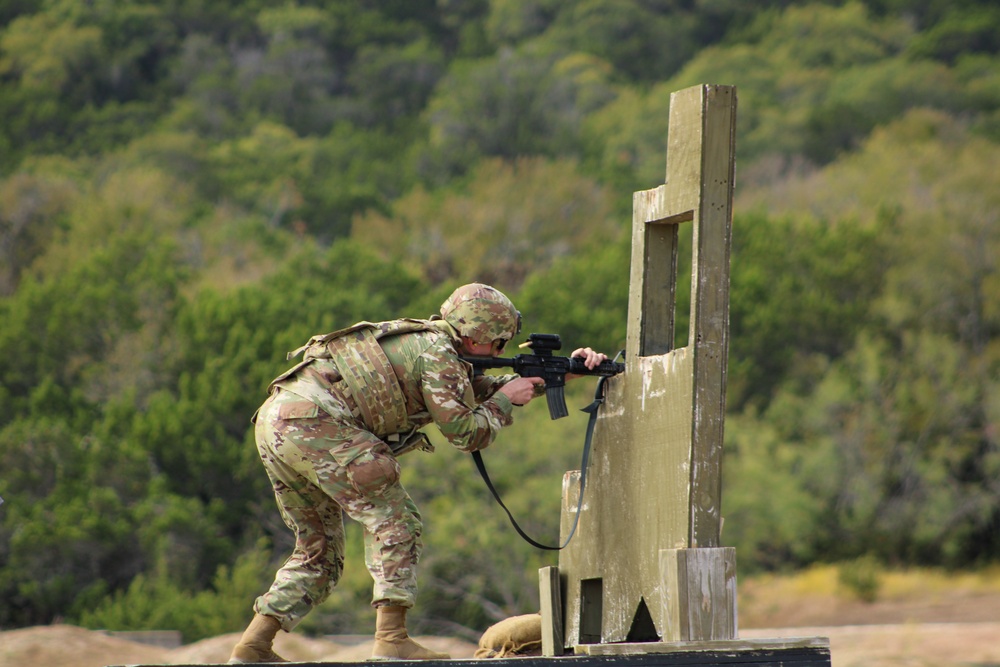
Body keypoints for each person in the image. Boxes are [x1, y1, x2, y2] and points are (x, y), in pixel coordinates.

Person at [229, 283, 608, 663]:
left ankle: (253, 646)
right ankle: (391, 638)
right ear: (476, 334)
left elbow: (477, 390)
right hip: (317, 422)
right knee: (396, 521)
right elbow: (466, 432)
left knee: (319, 552)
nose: (501, 352)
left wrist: (560, 375)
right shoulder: (438, 353)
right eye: (498, 343)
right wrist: (505, 402)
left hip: (278, 422)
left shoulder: (432, 345)